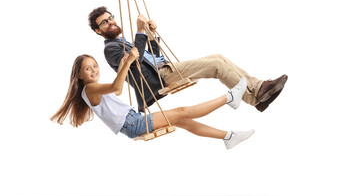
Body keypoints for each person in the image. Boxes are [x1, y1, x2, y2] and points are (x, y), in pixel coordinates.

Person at [88, 6, 288, 113]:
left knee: (218, 57)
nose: (110, 22)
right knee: (217, 65)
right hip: (158, 79)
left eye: (110, 17)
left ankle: (258, 90)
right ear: (98, 31)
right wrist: (140, 31)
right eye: (104, 23)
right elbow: (136, 64)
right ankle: (255, 97)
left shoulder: (122, 41)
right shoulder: (110, 49)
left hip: (164, 67)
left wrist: (150, 34)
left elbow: (155, 56)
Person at [51, 49, 254, 149]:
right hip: (134, 124)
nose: (94, 70)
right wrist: (129, 61)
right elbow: (116, 86)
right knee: (182, 111)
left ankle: (228, 137)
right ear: (79, 75)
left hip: (132, 122)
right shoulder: (91, 89)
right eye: (88, 68)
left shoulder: (92, 90)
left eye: (94, 66)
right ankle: (229, 97)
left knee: (185, 121)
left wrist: (123, 66)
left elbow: (117, 92)